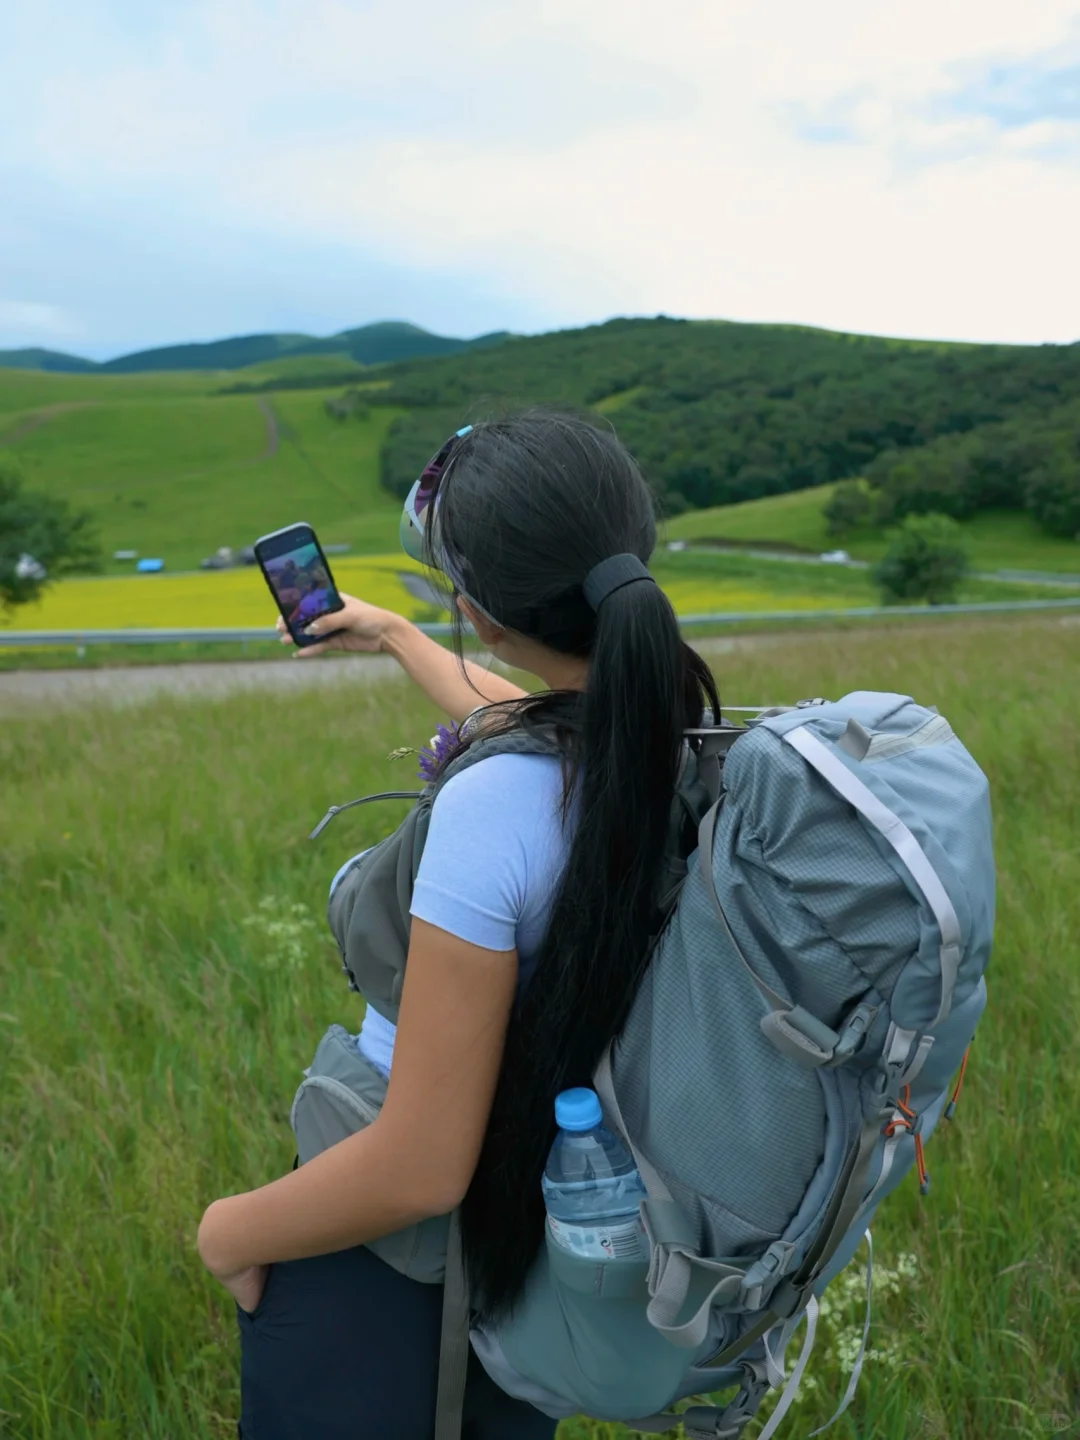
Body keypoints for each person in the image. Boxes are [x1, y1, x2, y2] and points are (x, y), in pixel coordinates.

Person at [196, 410, 720, 1439]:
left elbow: (422, 1164)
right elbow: (526, 713)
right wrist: (396, 633)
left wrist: (229, 1232)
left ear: (478, 613)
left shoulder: (497, 808)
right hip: (542, 1235)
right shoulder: (669, 741)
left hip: (397, 1255)